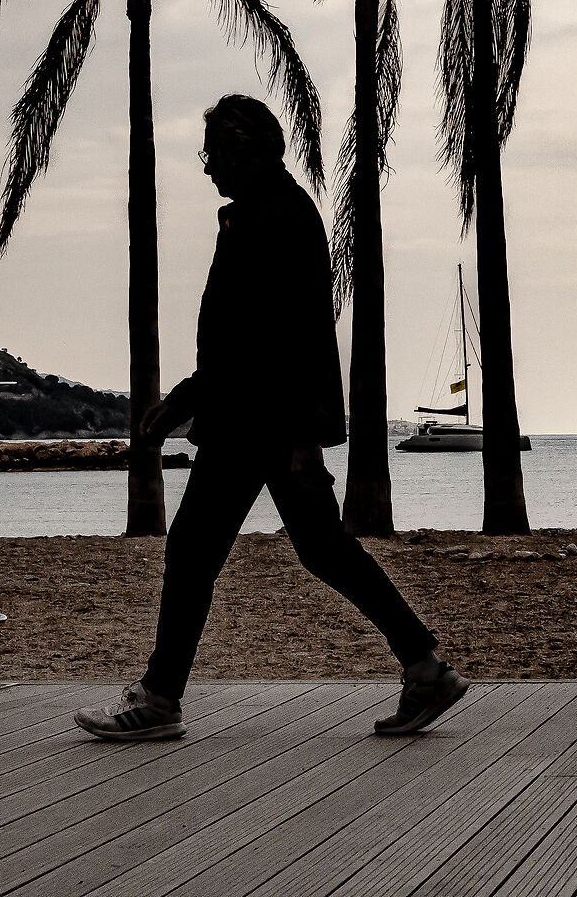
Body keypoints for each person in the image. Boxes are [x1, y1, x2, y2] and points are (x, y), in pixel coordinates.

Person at [75, 95, 467, 741]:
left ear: (246, 150)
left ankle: (160, 699)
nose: (206, 168)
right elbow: (252, 340)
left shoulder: (275, 221)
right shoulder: (270, 215)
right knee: (320, 550)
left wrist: (293, 436)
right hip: (259, 420)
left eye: (213, 152)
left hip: (257, 424)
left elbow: (281, 341)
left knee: (195, 550)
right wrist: (189, 404)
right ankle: (425, 666)